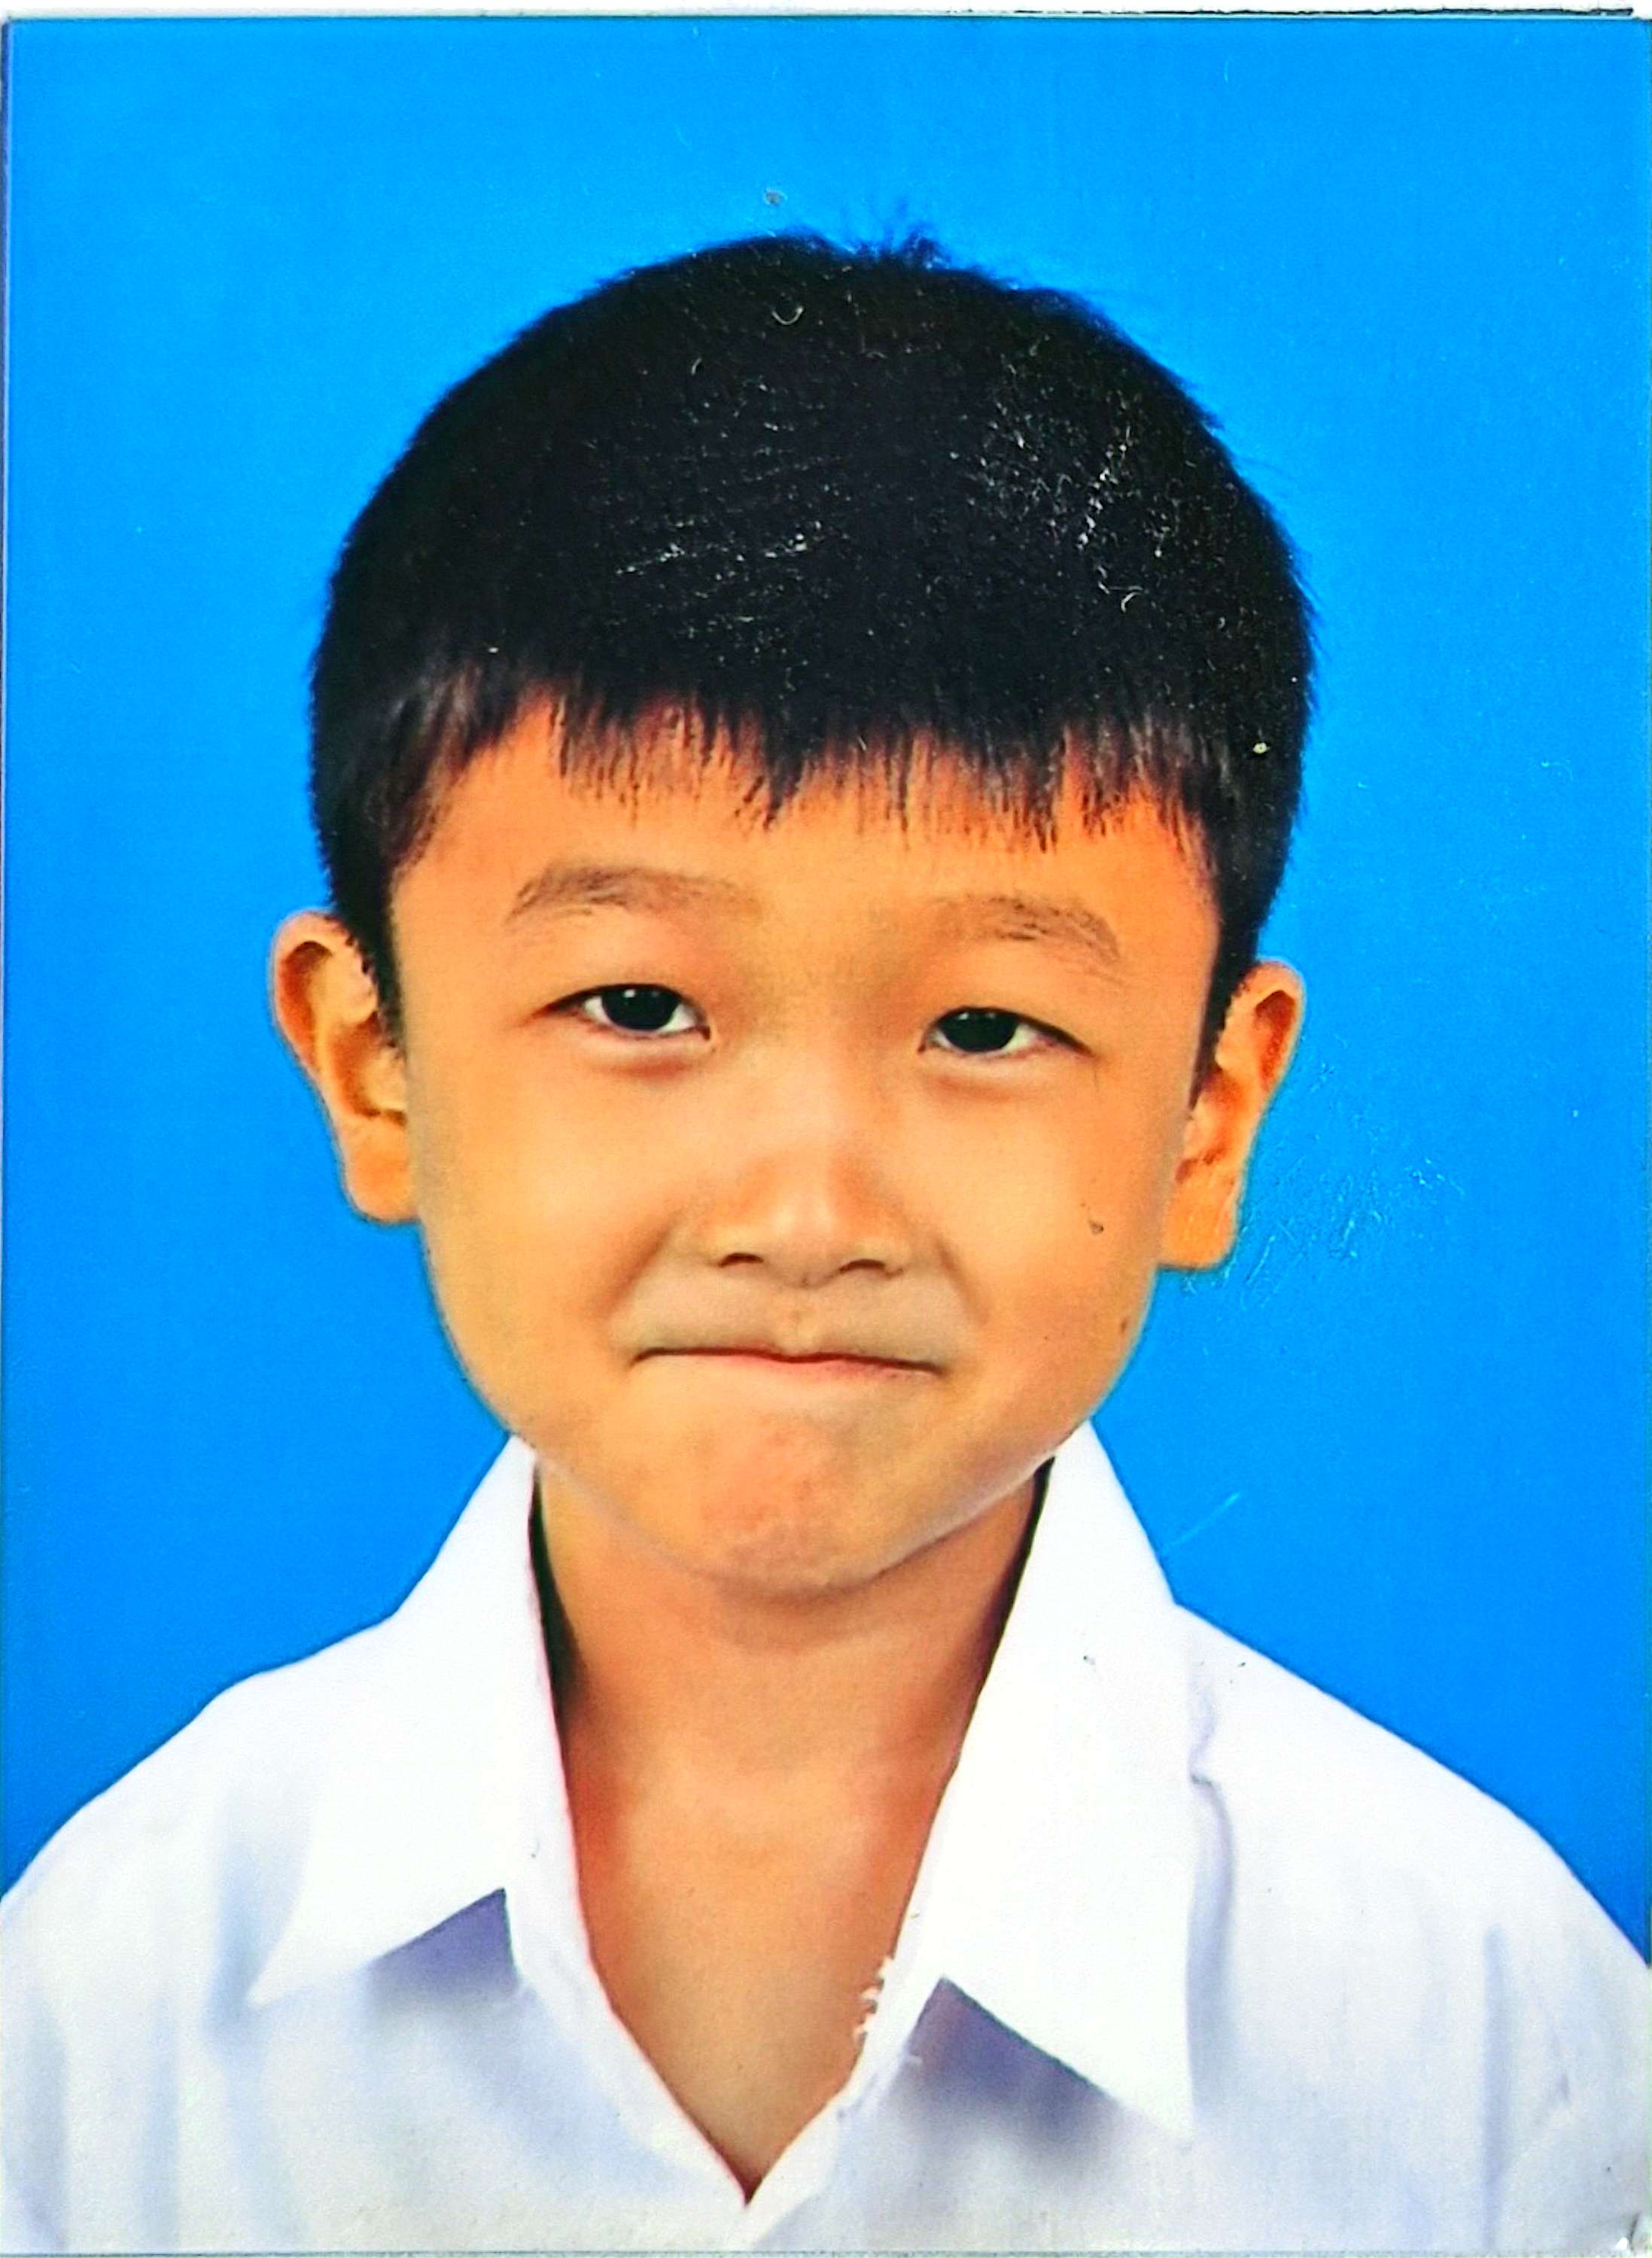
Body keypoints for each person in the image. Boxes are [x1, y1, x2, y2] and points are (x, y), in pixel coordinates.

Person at [2, 231, 1644, 2255]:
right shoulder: (100, 2005)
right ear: (373, 1067)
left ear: (1210, 1117)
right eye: (637, 1007)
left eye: (986, 1029)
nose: (805, 1218)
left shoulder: (1499, 2045)